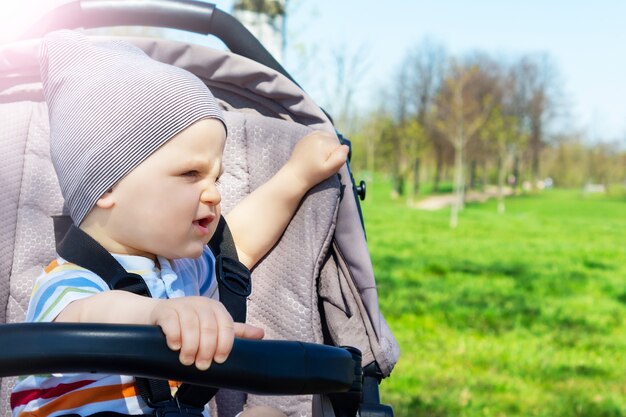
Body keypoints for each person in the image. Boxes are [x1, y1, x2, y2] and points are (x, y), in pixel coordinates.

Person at [10, 30, 348, 417]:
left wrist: (297, 176)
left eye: (216, 178)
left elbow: (241, 247)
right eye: (191, 174)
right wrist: (155, 315)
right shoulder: (67, 284)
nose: (214, 194)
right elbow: (85, 318)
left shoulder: (184, 271)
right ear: (105, 183)